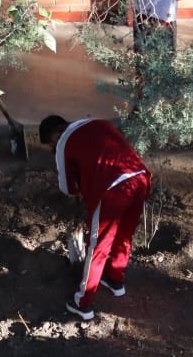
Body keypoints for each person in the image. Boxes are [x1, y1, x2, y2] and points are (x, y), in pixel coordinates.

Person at [38, 114, 151, 322]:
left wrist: (82, 185)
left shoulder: (64, 141)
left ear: (55, 135)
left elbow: (67, 189)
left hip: (112, 190)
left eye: (51, 144)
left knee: (97, 247)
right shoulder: (97, 122)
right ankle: (116, 281)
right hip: (140, 177)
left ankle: (83, 303)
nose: (53, 149)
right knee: (124, 235)